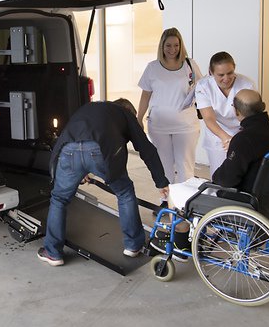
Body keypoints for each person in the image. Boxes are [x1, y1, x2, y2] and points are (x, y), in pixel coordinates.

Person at [151, 89, 269, 261]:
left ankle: (180, 244)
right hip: (267, 201)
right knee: (195, 183)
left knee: (175, 191)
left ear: (236, 112)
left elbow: (225, 180)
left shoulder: (243, 139)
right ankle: (194, 235)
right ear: (263, 107)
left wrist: (217, 174)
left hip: (241, 201)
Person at [37, 99, 170, 266]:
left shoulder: (92, 108)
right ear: (128, 110)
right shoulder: (125, 114)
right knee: (124, 193)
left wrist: (78, 171)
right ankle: (133, 245)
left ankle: (53, 253)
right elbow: (146, 148)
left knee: (59, 199)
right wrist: (161, 181)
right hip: (100, 151)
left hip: (68, 149)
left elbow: (74, 139)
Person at [137, 28, 202, 211]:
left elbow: (202, 88)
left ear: (181, 45)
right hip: (159, 125)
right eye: (168, 45)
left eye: (176, 45)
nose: (172, 49)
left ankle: (185, 203)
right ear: (162, 46)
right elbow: (145, 96)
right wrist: (138, 117)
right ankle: (167, 201)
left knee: (185, 166)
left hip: (186, 125)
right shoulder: (152, 67)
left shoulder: (190, 64)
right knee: (164, 166)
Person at [195, 51, 255, 176]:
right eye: (221, 75)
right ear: (211, 72)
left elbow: (251, 116)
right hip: (218, 136)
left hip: (242, 133)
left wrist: (240, 139)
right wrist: (226, 139)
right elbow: (209, 118)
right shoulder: (203, 86)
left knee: (244, 176)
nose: (226, 78)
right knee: (220, 177)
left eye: (230, 73)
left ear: (234, 68)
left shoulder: (246, 84)